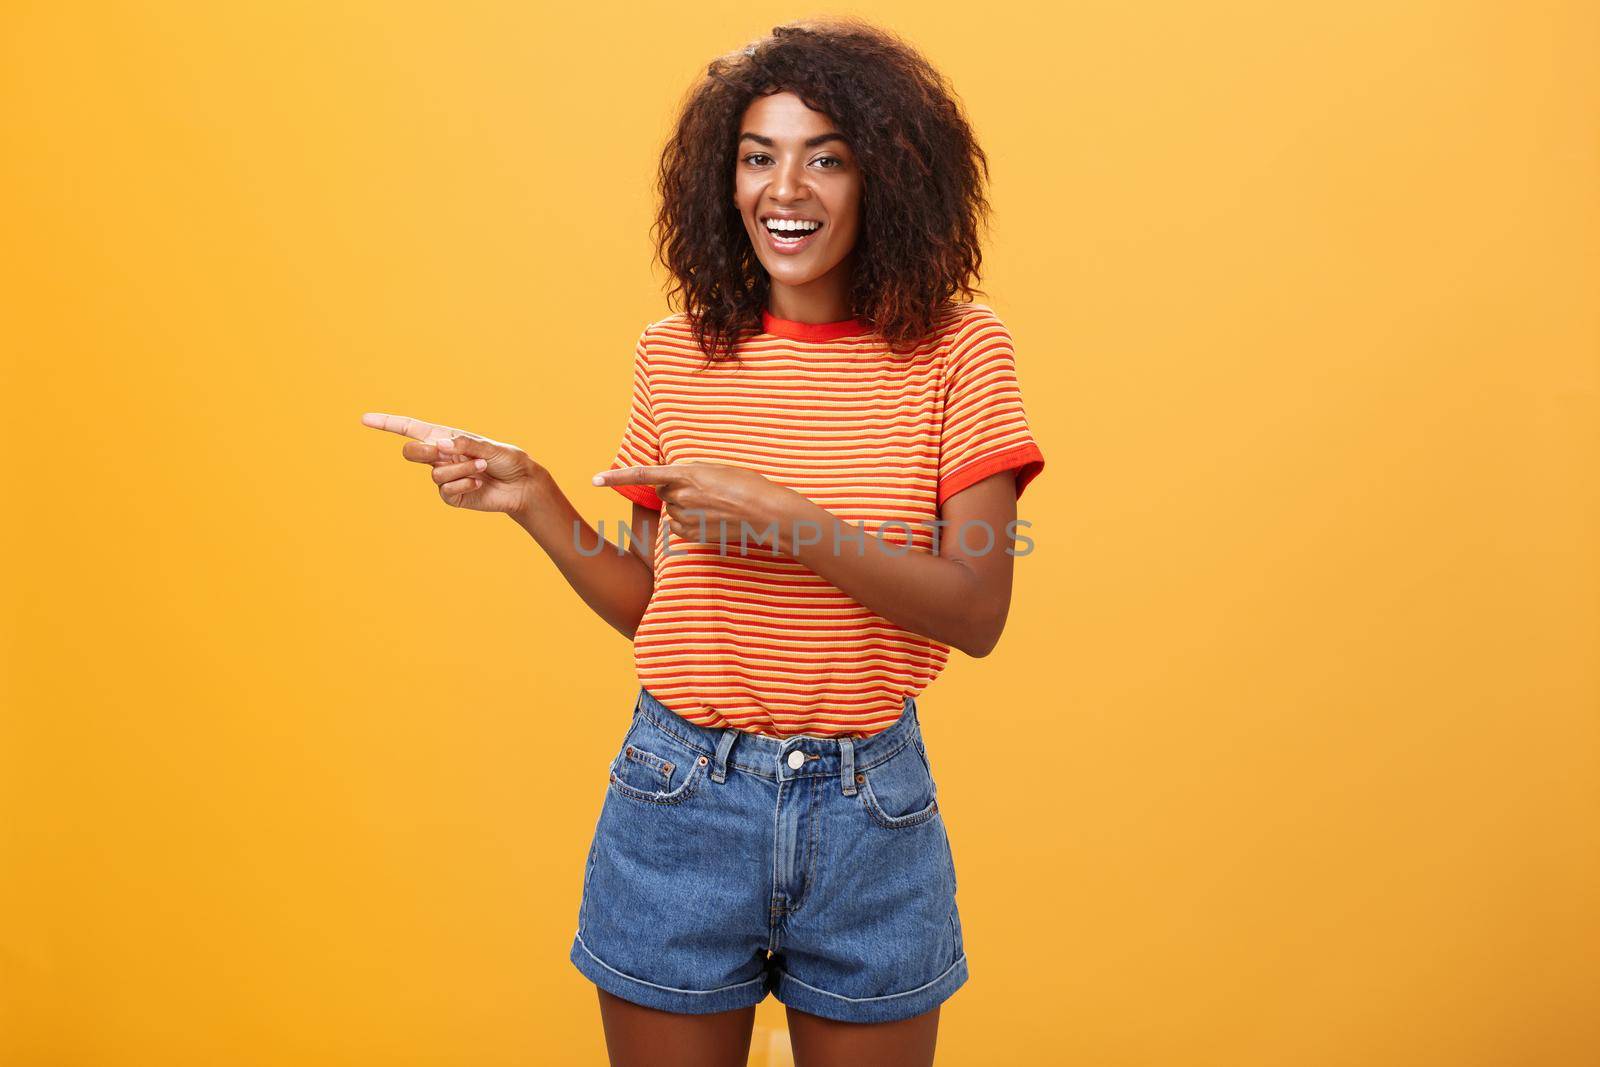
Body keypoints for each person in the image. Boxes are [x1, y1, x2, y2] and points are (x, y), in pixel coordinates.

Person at [362, 16, 1044, 1067]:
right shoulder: (676, 354)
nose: (787, 190)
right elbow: (654, 605)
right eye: (758, 157)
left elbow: (976, 608)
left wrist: (784, 518)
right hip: (679, 792)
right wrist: (536, 495)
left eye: (827, 157)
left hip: (870, 812)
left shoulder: (959, 352)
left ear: (885, 178)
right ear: (724, 183)